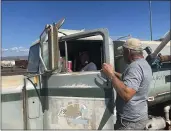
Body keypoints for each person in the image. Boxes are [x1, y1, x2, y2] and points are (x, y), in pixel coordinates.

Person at [102, 38, 152, 130]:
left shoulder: (135, 67)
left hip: (129, 123)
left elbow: (126, 94)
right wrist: (113, 72)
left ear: (128, 51)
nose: (122, 54)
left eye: (123, 51)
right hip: (139, 117)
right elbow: (129, 80)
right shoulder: (144, 64)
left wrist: (111, 75)